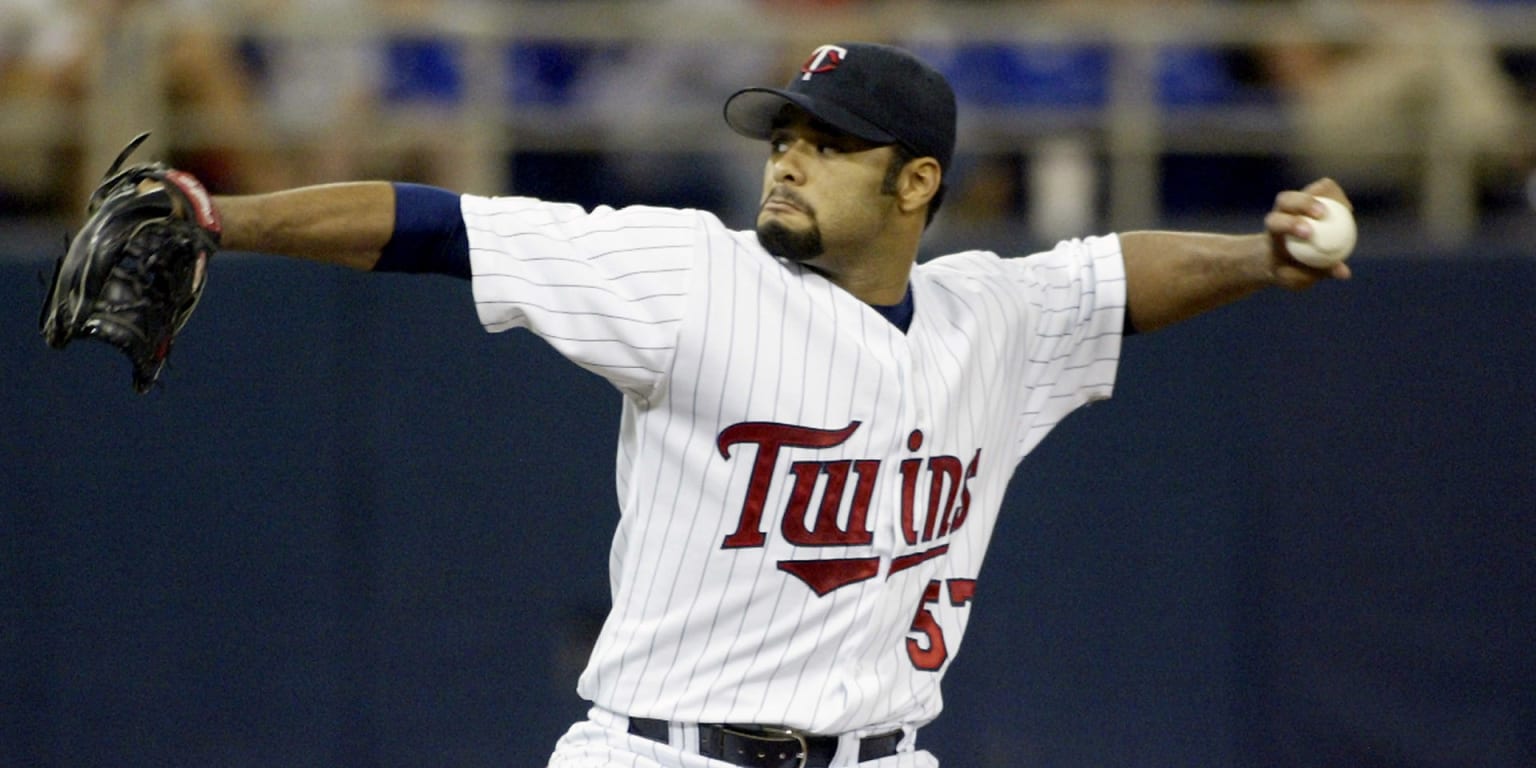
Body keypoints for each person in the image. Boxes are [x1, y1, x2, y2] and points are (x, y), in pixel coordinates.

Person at [183, 41, 1351, 768]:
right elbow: (445, 227)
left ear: (917, 181)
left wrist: (1261, 257)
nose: (788, 159)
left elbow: (1112, 279)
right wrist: (226, 220)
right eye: (784, 135)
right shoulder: (693, 275)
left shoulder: (986, 318)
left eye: (830, 144)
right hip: (664, 756)